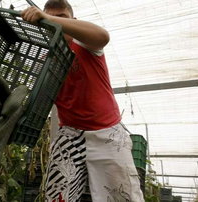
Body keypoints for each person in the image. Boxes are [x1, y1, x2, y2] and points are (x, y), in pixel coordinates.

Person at [22, 1, 144, 201]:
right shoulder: (46, 60)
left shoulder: (86, 44)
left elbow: (103, 36)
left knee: (121, 196)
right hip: (70, 133)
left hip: (107, 132)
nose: (56, 23)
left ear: (74, 21)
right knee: (57, 195)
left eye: (63, 17)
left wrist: (49, 19)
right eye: (50, 17)